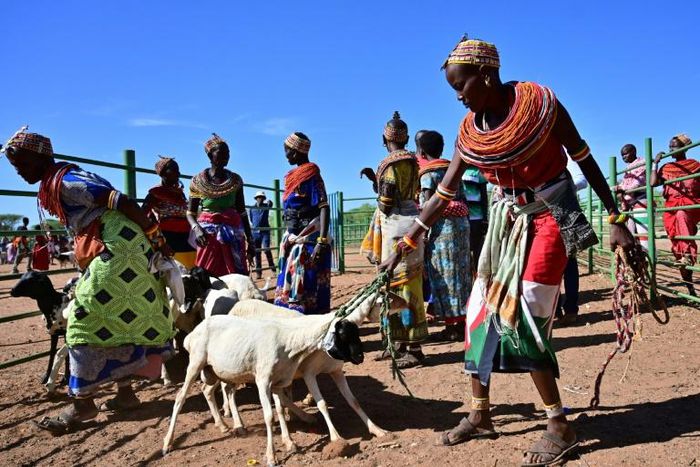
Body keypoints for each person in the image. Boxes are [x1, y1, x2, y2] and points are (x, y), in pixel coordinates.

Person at [379, 38, 633, 464]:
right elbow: (444, 193)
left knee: (527, 316)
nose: (458, 95)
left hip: (550, 215)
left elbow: (583, 156)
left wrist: (616, 219)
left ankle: (559, 424)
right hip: (504, 222)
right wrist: (408, 240)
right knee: (479, 314)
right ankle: (480, 414)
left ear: (486, 74)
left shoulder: (541, 105)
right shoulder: (470, 132)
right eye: (453, 89)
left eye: (461, 85)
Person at [2, 127, 174, 434]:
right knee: (120, 315)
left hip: (118, 250)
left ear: (42, 158)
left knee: (82, 318)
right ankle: (125, 395)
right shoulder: (60, 179)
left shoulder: (68, 182)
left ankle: (82, 406)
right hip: (118, 248)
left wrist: (154, 234)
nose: (20, 172)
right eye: (16, 168)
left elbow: (119, 200)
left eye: (24, 165)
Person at [361, 111, 428, 368]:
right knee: (409, 284)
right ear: (407, 138)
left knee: (395, 284)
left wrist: (376, 187)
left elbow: (386, 203)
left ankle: (412, 349)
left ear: (383, 138)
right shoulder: (412, 161)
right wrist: (375, 181)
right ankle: (399, 344)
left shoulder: (389, 164)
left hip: (395, 227)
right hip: (412, 223)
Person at [417, 130, 471, 341]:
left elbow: (429, 206)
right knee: (462, 274)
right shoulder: (452, 169)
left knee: (445, 276)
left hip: (442, 233)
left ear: (421, 151)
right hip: (461, 228)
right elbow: (463, 200)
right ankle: (463, 322)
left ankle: (451, 327)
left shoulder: (428, 174)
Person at [274, 132, 331, 314]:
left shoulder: (311, 174)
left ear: (297, 151)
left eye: (288, 151)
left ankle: (308, 324)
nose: (286, 155)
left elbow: (324, 207)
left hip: (309, 238)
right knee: (288, 280)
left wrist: (321, 242)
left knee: (308, 282)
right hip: (292, 238)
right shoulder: (293, 176)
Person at [187, 134, 255, 277]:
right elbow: (190, 213)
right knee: (207, 274)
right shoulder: (197, 181)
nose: (226, 156)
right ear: (210, 155)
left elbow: (242, 212)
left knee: (236, 275)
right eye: (221, 153)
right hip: (207, 235)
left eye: (228, 153)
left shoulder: (235, 180)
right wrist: (196, 229)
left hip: (233, 234)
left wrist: (250, 240)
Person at [650, 134, 700, 296]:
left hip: (690, 207)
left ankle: (686, 255)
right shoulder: (667, 167)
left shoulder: (695, 166)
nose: (670, 149)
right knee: (677, 247)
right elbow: (652, 183)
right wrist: (655, 164)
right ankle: (690, 287)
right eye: (670, 146)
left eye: (674, 147)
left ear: (684, 148)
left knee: (681, 216)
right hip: (670, 209)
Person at [143, 156, 197, 269]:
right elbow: (143, 215)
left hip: (186, 239)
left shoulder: (179, 193)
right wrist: (158, 240)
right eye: (174, 170)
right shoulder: (155, 193)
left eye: (178, 171)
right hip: (167, 239)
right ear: (162, 173)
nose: (178, 174)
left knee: (190, 270)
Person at [556, 160, 588, 325]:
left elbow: (582, 180)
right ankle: (553, 309)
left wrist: (558, 189)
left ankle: (571, 309)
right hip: (541, 213)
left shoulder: (567, 157)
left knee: (569, 263)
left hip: (566, 214)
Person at [614, 144, 649, 250]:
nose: (623, 157)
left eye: (625, 154)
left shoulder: (642, 163)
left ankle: (649, 257)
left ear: (633, 151)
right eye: (622, 155)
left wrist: (620, 188)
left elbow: (638, 183)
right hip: (630, 203)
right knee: (630, 233)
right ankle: (639, 260)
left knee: (643, 234)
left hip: (641, 200)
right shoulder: (628, 168)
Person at [462, 164, 489, 274]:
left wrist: (485, 219)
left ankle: (478, 277)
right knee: (465, 251)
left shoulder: (478, 172)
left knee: (478, 250)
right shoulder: (455, 171)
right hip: (461, 218)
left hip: (476, 218)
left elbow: (484, 196)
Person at [249, 191, 277, 279]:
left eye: (262, 197)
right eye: (259, 197)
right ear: (256, 198)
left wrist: (270, 203)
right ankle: (258, 272)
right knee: (257, 252)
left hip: (265, 232)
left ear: (264, 199)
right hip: (255, 233)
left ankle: (273, 269)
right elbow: (251, 219)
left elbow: (271, 204)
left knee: (267, 249)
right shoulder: (252, 208)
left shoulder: (266, 206)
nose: (260, 199)